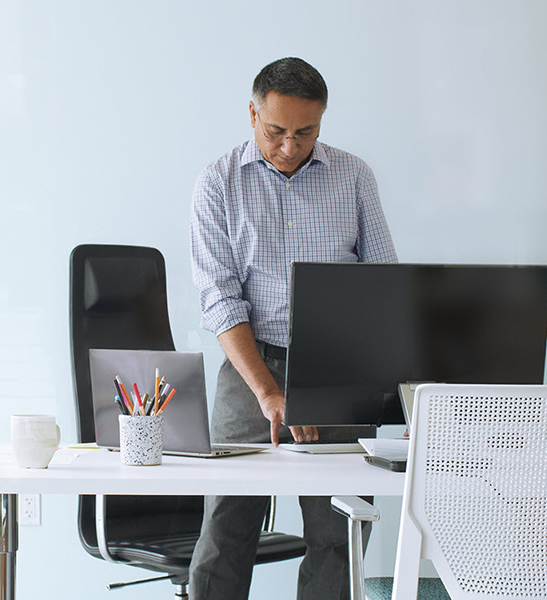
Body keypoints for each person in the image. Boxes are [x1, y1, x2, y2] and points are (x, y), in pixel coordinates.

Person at [187, 57, 397, 600]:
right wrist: (268, 391)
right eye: (276, 130)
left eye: (306, 132)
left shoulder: (353, 175)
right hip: (249, 364)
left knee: (339, 526)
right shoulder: (217, 182)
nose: (289, 145)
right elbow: (220, 299)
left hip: (338, 368)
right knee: (227, 522)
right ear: (252, 113)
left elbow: (382, 283)